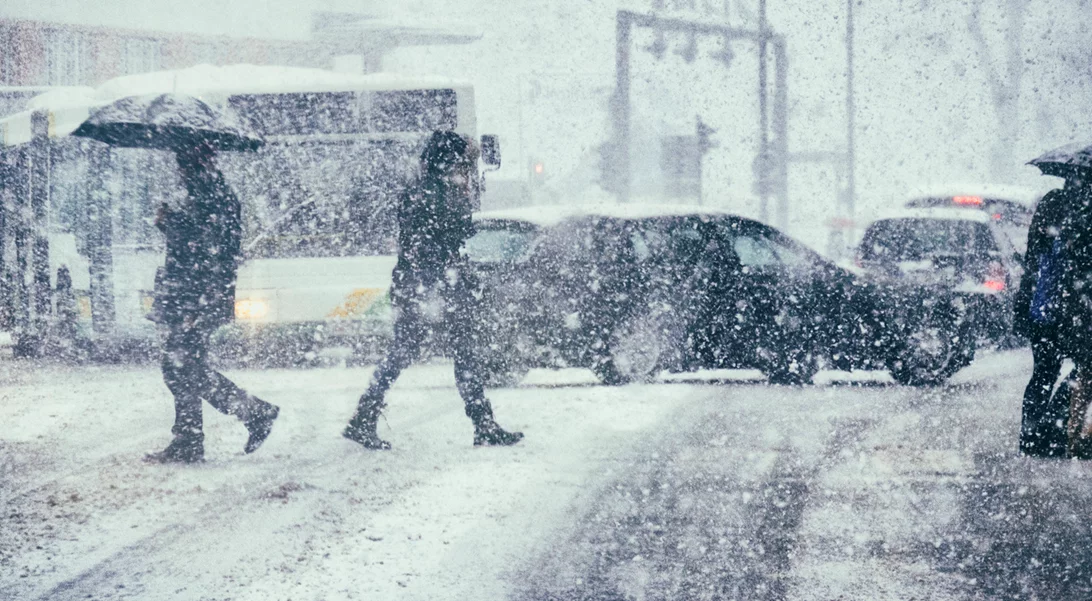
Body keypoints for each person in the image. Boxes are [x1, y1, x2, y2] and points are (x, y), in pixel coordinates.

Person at [343, 131, 523, 449]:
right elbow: (436, 241)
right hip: (430, 287)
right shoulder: (433, 194)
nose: (466, 170)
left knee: (424, 352)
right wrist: (444, 275)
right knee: (437, 352)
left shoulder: (428, 190)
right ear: (448, 162)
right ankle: (481, 424)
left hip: (425, 286)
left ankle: (366, 417)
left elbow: (435, 239)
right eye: (462, 163)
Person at [145, 141, 279, 464]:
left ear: (195, 162)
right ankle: (193, 437)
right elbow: (205, 245)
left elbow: (204, 249)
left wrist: (170, 223)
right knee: (184, 367)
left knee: (181, 367)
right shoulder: (208, 193)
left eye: (183, 162)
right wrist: (170, 223)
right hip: (195, 295)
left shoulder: (210, 195)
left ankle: (250, 414)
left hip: (196, 297)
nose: (179, 169)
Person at [1014, 175, 1076, 457]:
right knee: (1081, 370)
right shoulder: (1078, 210)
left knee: (1043, 372)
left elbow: (1033, 258)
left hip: (1042, 307)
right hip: (1068, 308)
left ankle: (1032, 435)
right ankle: (1051, 429)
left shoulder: (1052, 201)